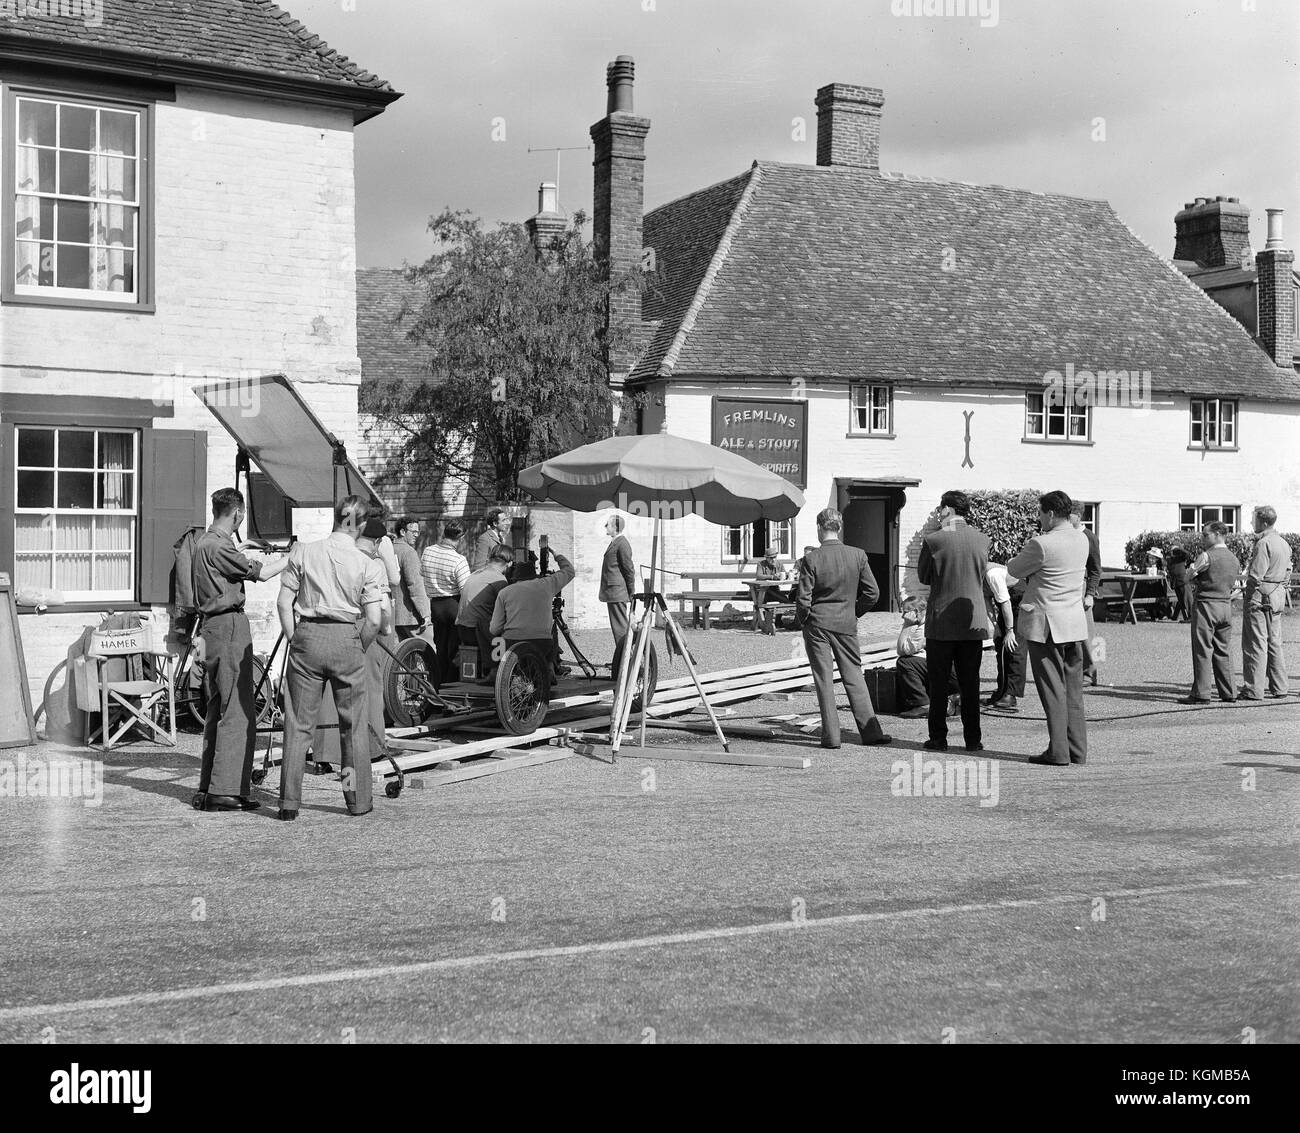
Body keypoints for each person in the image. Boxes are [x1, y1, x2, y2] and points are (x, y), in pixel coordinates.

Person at [276, 496, 384, 820]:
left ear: (336, 518)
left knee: (298, 725)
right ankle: (356, 800)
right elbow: (375, 620)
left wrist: (296, 637)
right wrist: (357, 645)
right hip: (347, 637)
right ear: (361, 525)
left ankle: (289, 803)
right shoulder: (367, 563)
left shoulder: (304, 551)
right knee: (351, 726)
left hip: (307, 636)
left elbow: (283, 603)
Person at [191, 487, 287, 812]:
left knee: (218, 706)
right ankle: (226, 791)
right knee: (238, 710)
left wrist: (245, 548)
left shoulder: (205, 543)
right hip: (228, 626)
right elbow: (262, 572)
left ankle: (210, 786)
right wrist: (292, 558)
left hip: (209, 630)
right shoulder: (220, 547)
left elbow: (230, 560)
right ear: (238, 514)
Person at [794, 507, 891, 749]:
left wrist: (803, 619)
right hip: (846, 624)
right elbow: (873, 593)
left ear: (819, 528)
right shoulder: (858, 555)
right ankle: (871, 733)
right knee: (854, 676)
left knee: (824, 679)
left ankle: (831, 737)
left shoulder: (811, 558)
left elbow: (803, 598)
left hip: (817, 624)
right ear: (839, 527)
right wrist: (853, 611)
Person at [1007, 491, 1090, 766]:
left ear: (1051, 514)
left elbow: (1015, 570)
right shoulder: (1082, 538)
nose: (1039, 519)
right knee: (1073, 691)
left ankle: (1058, 751)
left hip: (1046, 625)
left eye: (1041, 514)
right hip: (1073, 623)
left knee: (1052, 690)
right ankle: (1077, 749)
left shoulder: (1041, 543)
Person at [916, 490, 990, 752]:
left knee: (938, 684)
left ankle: (938, 738)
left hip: (942, 622)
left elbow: (924, 577)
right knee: (971, 683)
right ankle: (973, 739)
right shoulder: (983, 539)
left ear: (947, 509)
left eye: (940, 508)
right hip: (972, 621)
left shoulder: (934, 539)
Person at [490, 549, 576, 675]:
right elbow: (569, 571)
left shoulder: (504, 593)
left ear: (515, 577)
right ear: (534, 575)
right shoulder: (547, 584)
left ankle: (496, 671)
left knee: (496, 641)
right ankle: (550, 667)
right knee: (552, 631)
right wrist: (557, 554)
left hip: (512, 643)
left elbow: (494, 629)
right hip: (542, 643)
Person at [1182, 521, 1237, 704]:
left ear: (1218, 535)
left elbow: (1188, 576)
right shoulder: (1233, 558)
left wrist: (1191, 574)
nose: (1203, 539)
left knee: (1202, 649)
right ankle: (1229, 692)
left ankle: (1201, 693)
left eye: (1206, 535)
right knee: (1223, 650)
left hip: (1206, 604)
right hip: (1225, 605)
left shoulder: (1206, 556)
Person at [1239, 505, 1291, 700]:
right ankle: (1280, 687)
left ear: (1264, 522)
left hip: (1260, 597)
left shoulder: (1263, 543)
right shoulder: (1284, 543)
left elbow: (1255, 575)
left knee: (1255, 643)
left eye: (1254, 519)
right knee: (1275, 642)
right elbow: (1287, 573)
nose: (1252, 522)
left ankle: (1253, 689)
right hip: (1277, 595)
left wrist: (1247, 592)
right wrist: (1279, 590)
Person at [357, 519, 398, 759]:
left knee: (332, 692)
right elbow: (382, 606)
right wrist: (386, 628)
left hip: (331, 627)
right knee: (372, 686)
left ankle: (324, 755)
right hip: (365, 625)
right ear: (378, 542)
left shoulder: (335, 556)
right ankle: (375, 749)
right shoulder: (373, 564)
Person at [420, 520, 470, 686]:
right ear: (460, 537)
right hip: (453, 603)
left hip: (435, 604)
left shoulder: (428, 551)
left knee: (440, 646)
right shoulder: (459, 560)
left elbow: (422, 573)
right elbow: (466, 590)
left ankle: (438, 681)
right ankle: (451, 683)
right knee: (454, 648)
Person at [456, 544, 514, 681]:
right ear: (509, 563)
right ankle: (498, 672)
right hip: (477, 630)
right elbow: (507, 610)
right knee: (506, 634)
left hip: (461, 627)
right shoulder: (499, 579)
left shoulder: (475, 573)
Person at [894, 598, 957, 718]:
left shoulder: (924, 628)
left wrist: (907, 625)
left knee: (904, 662)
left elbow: (902, 651)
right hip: (956, 673)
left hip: (952, 674)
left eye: (906, 612)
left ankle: (921, 703)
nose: (903, 616)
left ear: (916, 612)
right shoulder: (931, 621)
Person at [982, 559, 1024, 714]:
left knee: (1014, 647)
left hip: (1019, 598)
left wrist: (1010, 630)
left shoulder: (992, 574)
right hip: (1005, 602)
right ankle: (1001, 690)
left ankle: (1011, 694)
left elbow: (1005, 603)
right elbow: (987, 601)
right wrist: (996, 628)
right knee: (1001, 644)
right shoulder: (974, 577)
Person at [1069, 507, 1103, 684]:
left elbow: (1096, 569)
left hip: (1082, 587)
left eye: (1070, 515)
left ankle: (1091, 673)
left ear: (1079, 516)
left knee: (1087, 634)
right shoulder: (1066, 535)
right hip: (1068, 585)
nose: (1067, 518)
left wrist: (1090, 594)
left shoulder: (1089, 536)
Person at [600, 515, 638, 674]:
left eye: (607, 524)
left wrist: (631, 592)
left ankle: (626, 660)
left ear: (615, 527)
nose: (605, 526)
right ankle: (623, 658)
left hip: (617, 592)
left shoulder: (622, 543)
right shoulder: (616, 542)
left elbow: (629, 569)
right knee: (619, 627)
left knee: (620, 628)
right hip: (613, 591)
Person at [390, 516, 429, 639]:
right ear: (402, 532)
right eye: (413, 532)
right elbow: (415, 584)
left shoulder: (388, 548)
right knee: (424, 652)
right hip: (409, 616)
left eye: (418, 532)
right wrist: (425, 613)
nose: (417, 535)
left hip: (391, 615)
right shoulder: (409, 552)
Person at [755, 546, 795, 635]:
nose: (773, 559)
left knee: (784, 600)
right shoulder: (761, 564)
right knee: (784, 600)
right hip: (762, 591)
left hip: (774, 590)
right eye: (771, 558)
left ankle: (777, 621)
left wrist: (788, 575)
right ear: (766, 557)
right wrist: (772, 577)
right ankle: (767, 623)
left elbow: (784, 574)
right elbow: (759, 576)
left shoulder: (779, 564)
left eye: (774, 557)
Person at [1167, 547, 1192, 623]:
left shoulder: (1181, 557)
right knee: (1181, 601)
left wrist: (1178, 549)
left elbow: (1187, 554)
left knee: (1188, 599)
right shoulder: (1170, 559)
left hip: (1183, 581)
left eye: (1173, 550)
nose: (1172, 552)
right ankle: (1177, 617)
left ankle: (1192, 617)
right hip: (1176, 582)